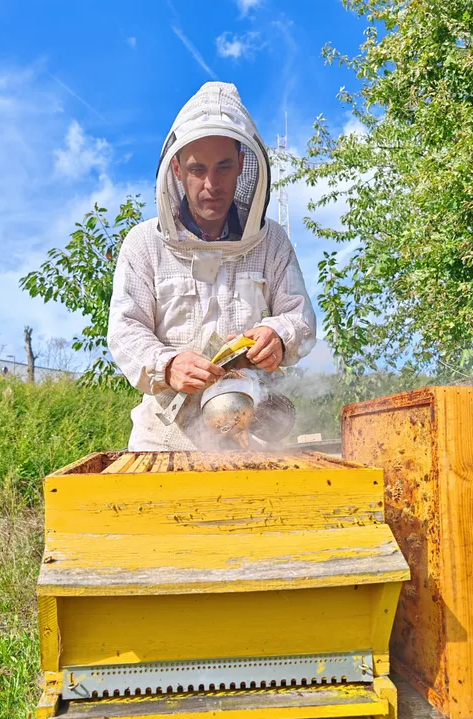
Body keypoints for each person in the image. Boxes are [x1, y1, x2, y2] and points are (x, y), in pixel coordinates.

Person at [107, 82, 316, 450]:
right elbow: (125, 329)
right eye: (197, 168)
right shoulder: (144, 244)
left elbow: (298, 316)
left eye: (223, 167)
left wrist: (280, 336)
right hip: (165, 439)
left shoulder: (272, 242)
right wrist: (167, 365)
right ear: (176, 169)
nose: (210, 184)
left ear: (241, 164)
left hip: (250, 432)